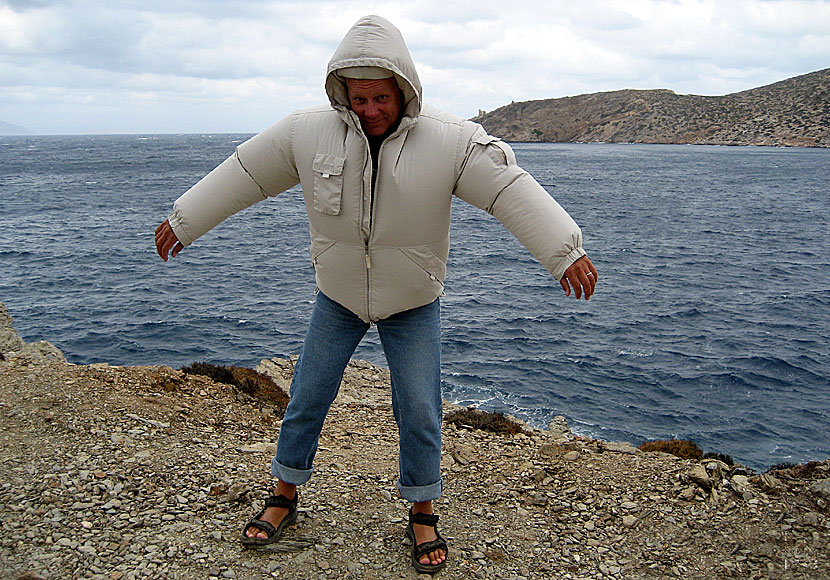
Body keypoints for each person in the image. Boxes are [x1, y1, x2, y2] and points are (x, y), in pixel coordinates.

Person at [154, 15, 597, 574]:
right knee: (307, 396)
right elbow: (246, 173)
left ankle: (422, 510)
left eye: (380, 97)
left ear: (403, 90)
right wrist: (185, 218)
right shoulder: (306, 131)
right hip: (336, 294)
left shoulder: (451, 139)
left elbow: (509, 189)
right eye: (358, 98)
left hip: (413, 299)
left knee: (418, 408)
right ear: (342, 93)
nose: (370, 110)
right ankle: (284, 495)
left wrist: (565, 250)